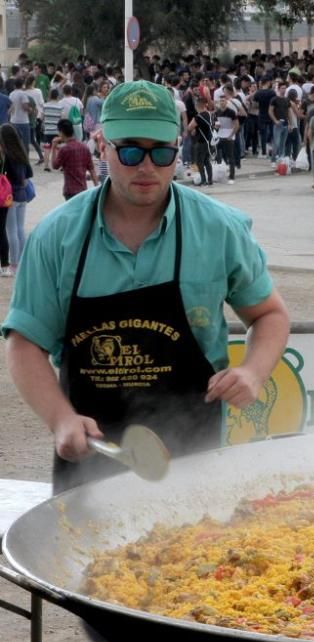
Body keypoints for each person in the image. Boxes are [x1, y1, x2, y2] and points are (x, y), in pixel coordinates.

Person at [1, 79, 291, 494]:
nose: (147, 166)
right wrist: (60, 418)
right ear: (101, 144)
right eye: (131, 150)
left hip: (195, 456)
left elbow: (269, 314)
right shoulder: (56, 236)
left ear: (178, 148)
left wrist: (253, 371)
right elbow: (25, 342)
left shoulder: (218, 229)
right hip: (91, 460)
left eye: (162, 152)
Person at [0, 124, 31, 276]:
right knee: (19, 229)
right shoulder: (22, 153)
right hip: (22, 195)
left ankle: (14, 264)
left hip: (9, 197)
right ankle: (23, 261)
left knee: (10, 230)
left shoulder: (6, 156)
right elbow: (27, 178)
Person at [50, 118, 98, 200]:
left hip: (70, 190)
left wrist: (53, 147)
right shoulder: (84, 147)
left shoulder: (64, 149)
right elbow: (92, 169)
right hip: (83, 189)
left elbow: (55, 166)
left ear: (61, 132)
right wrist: (97, 187)